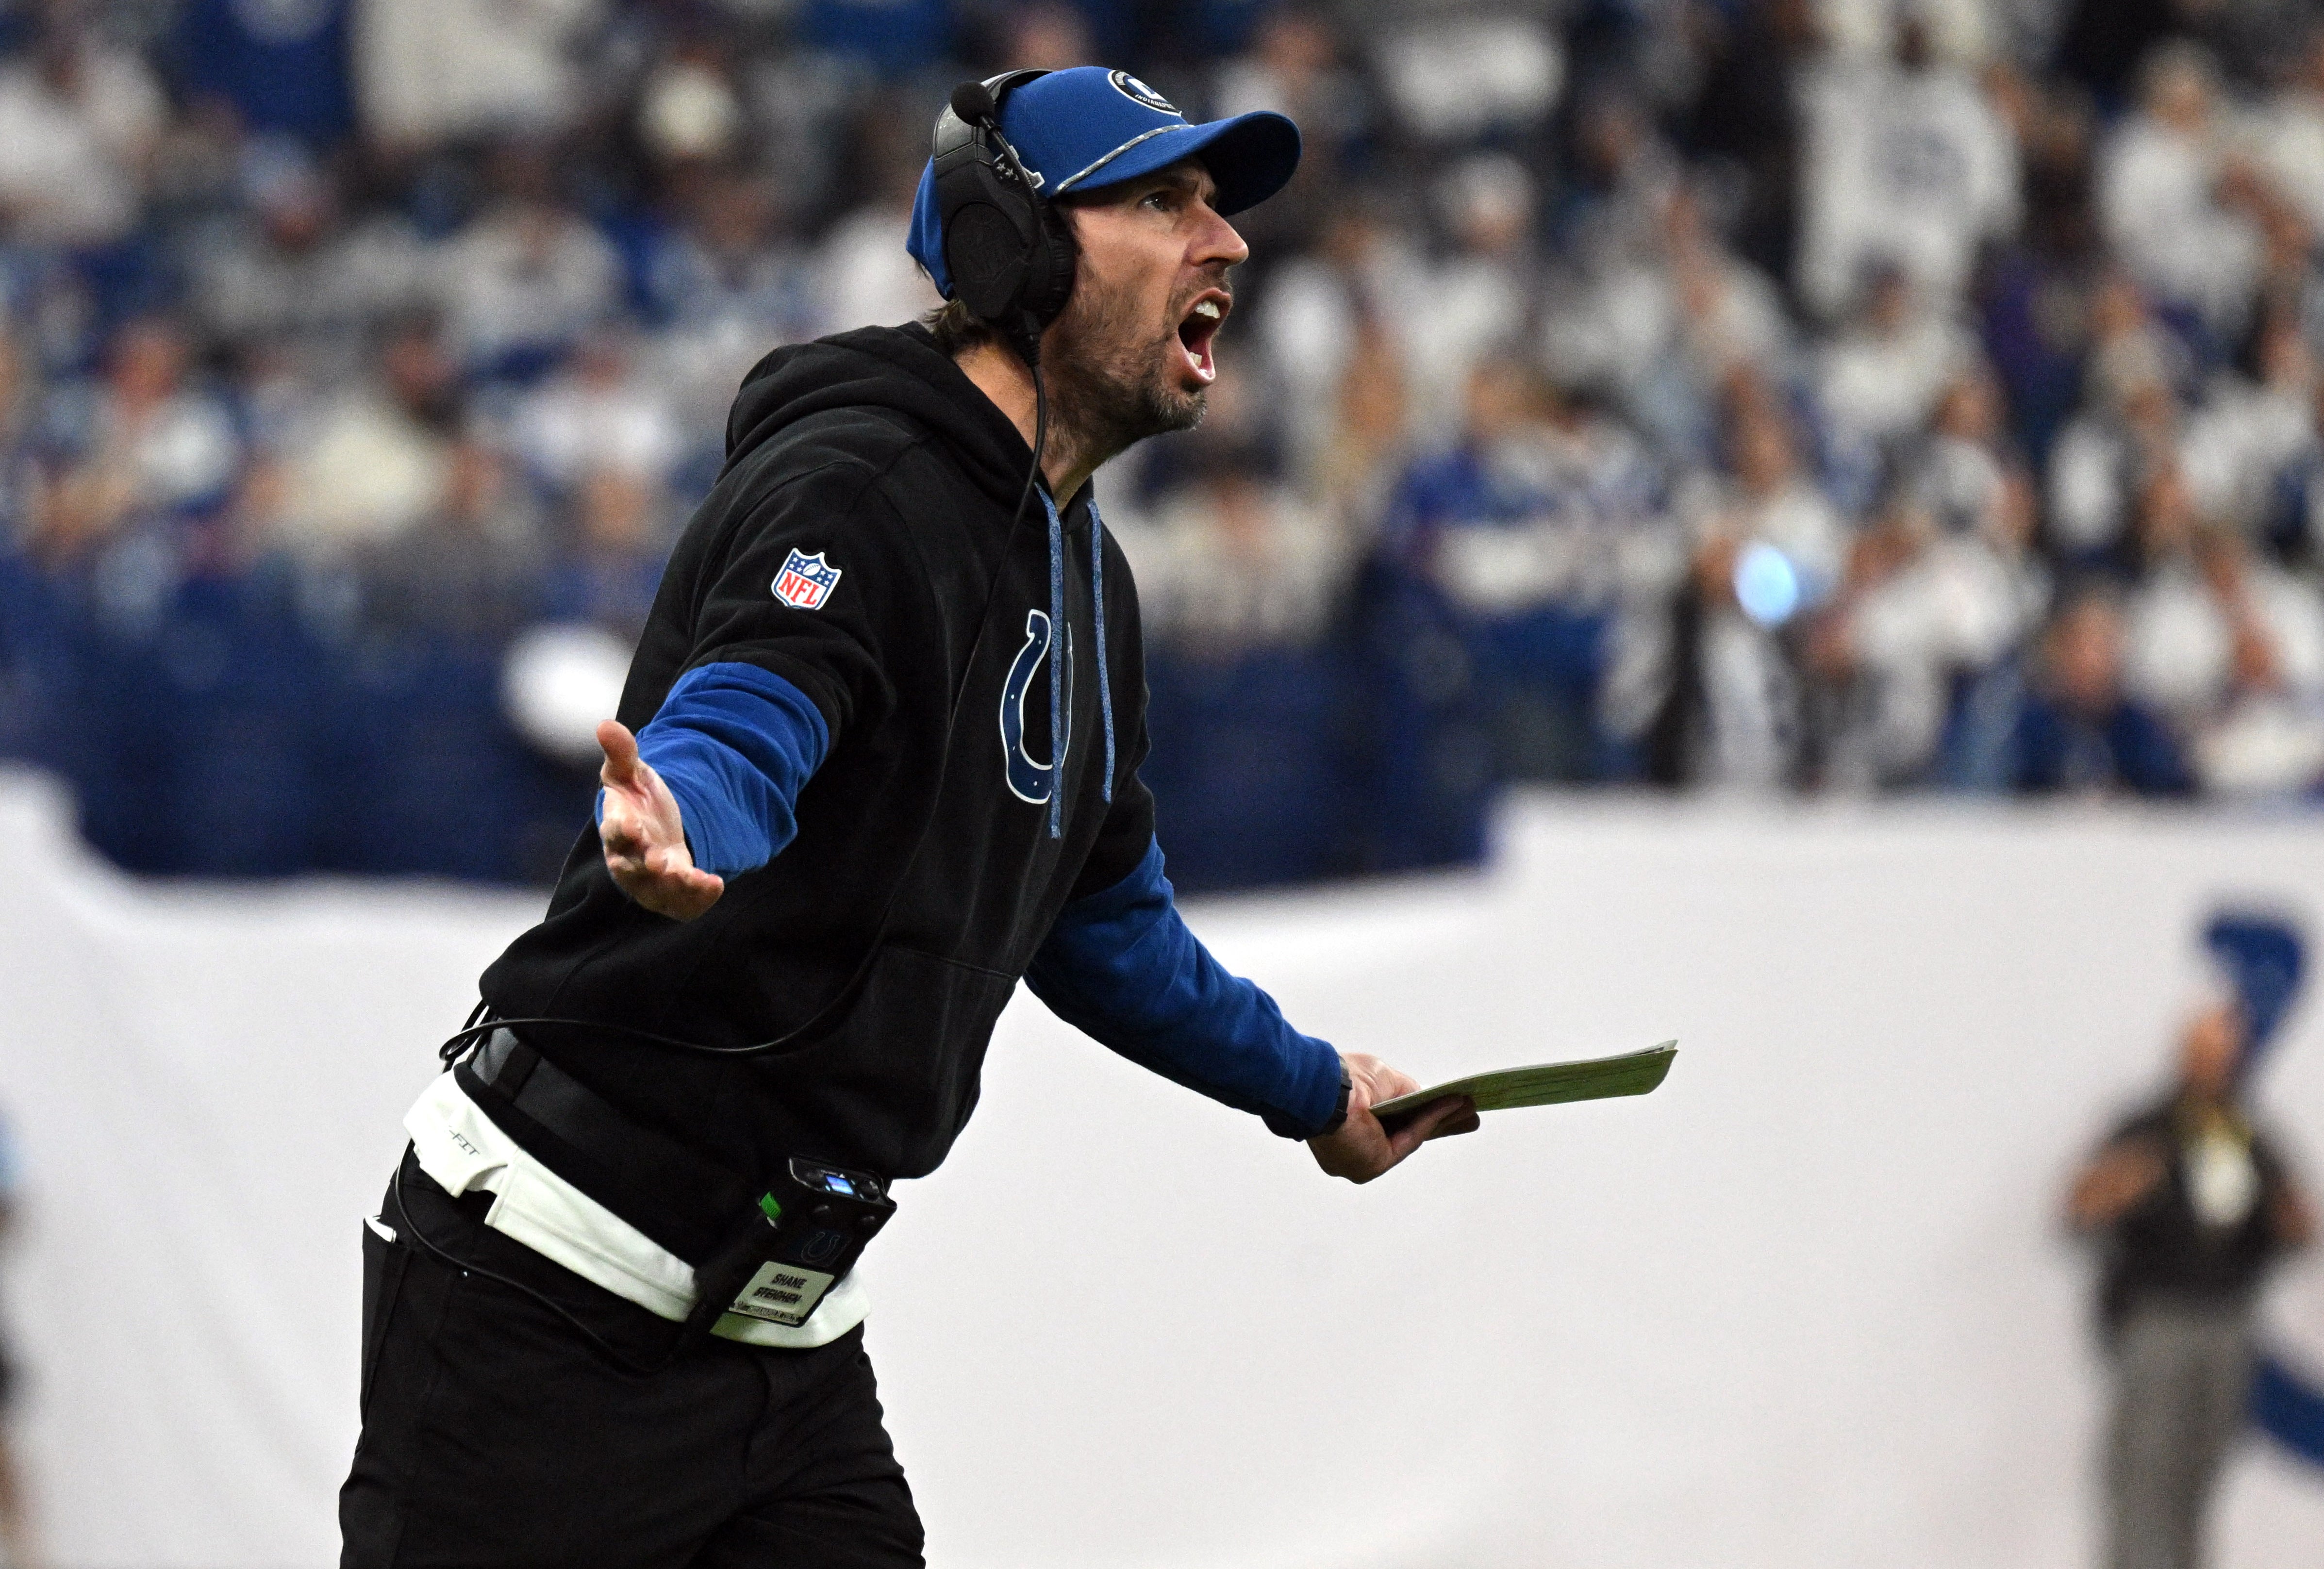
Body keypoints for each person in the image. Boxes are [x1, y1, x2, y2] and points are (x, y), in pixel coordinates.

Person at [339, 66, 1479, 1568]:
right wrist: (684, 820)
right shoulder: (854, 488)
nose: (1226, 242)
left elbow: (1106, 925)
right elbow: (747, 719)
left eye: (1216, 204)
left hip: (785, 1341)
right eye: (1163, 201)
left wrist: (1314, 1087)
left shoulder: (1088, 576)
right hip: (548, 1304)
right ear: (1017, 250)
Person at [2066, 994, 2316, 1569]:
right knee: (2145, 1467)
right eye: (2204, 1051)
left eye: (2223, 1053)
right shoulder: (2148, 1128)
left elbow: (2287, 1223)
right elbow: (2081, 1207)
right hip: (2161, 1319)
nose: (2213, 1064)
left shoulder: (2248, 1137)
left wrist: (2291, 1219)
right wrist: (2115, 1188)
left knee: (2198, 1471)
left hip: (2226, 1323)